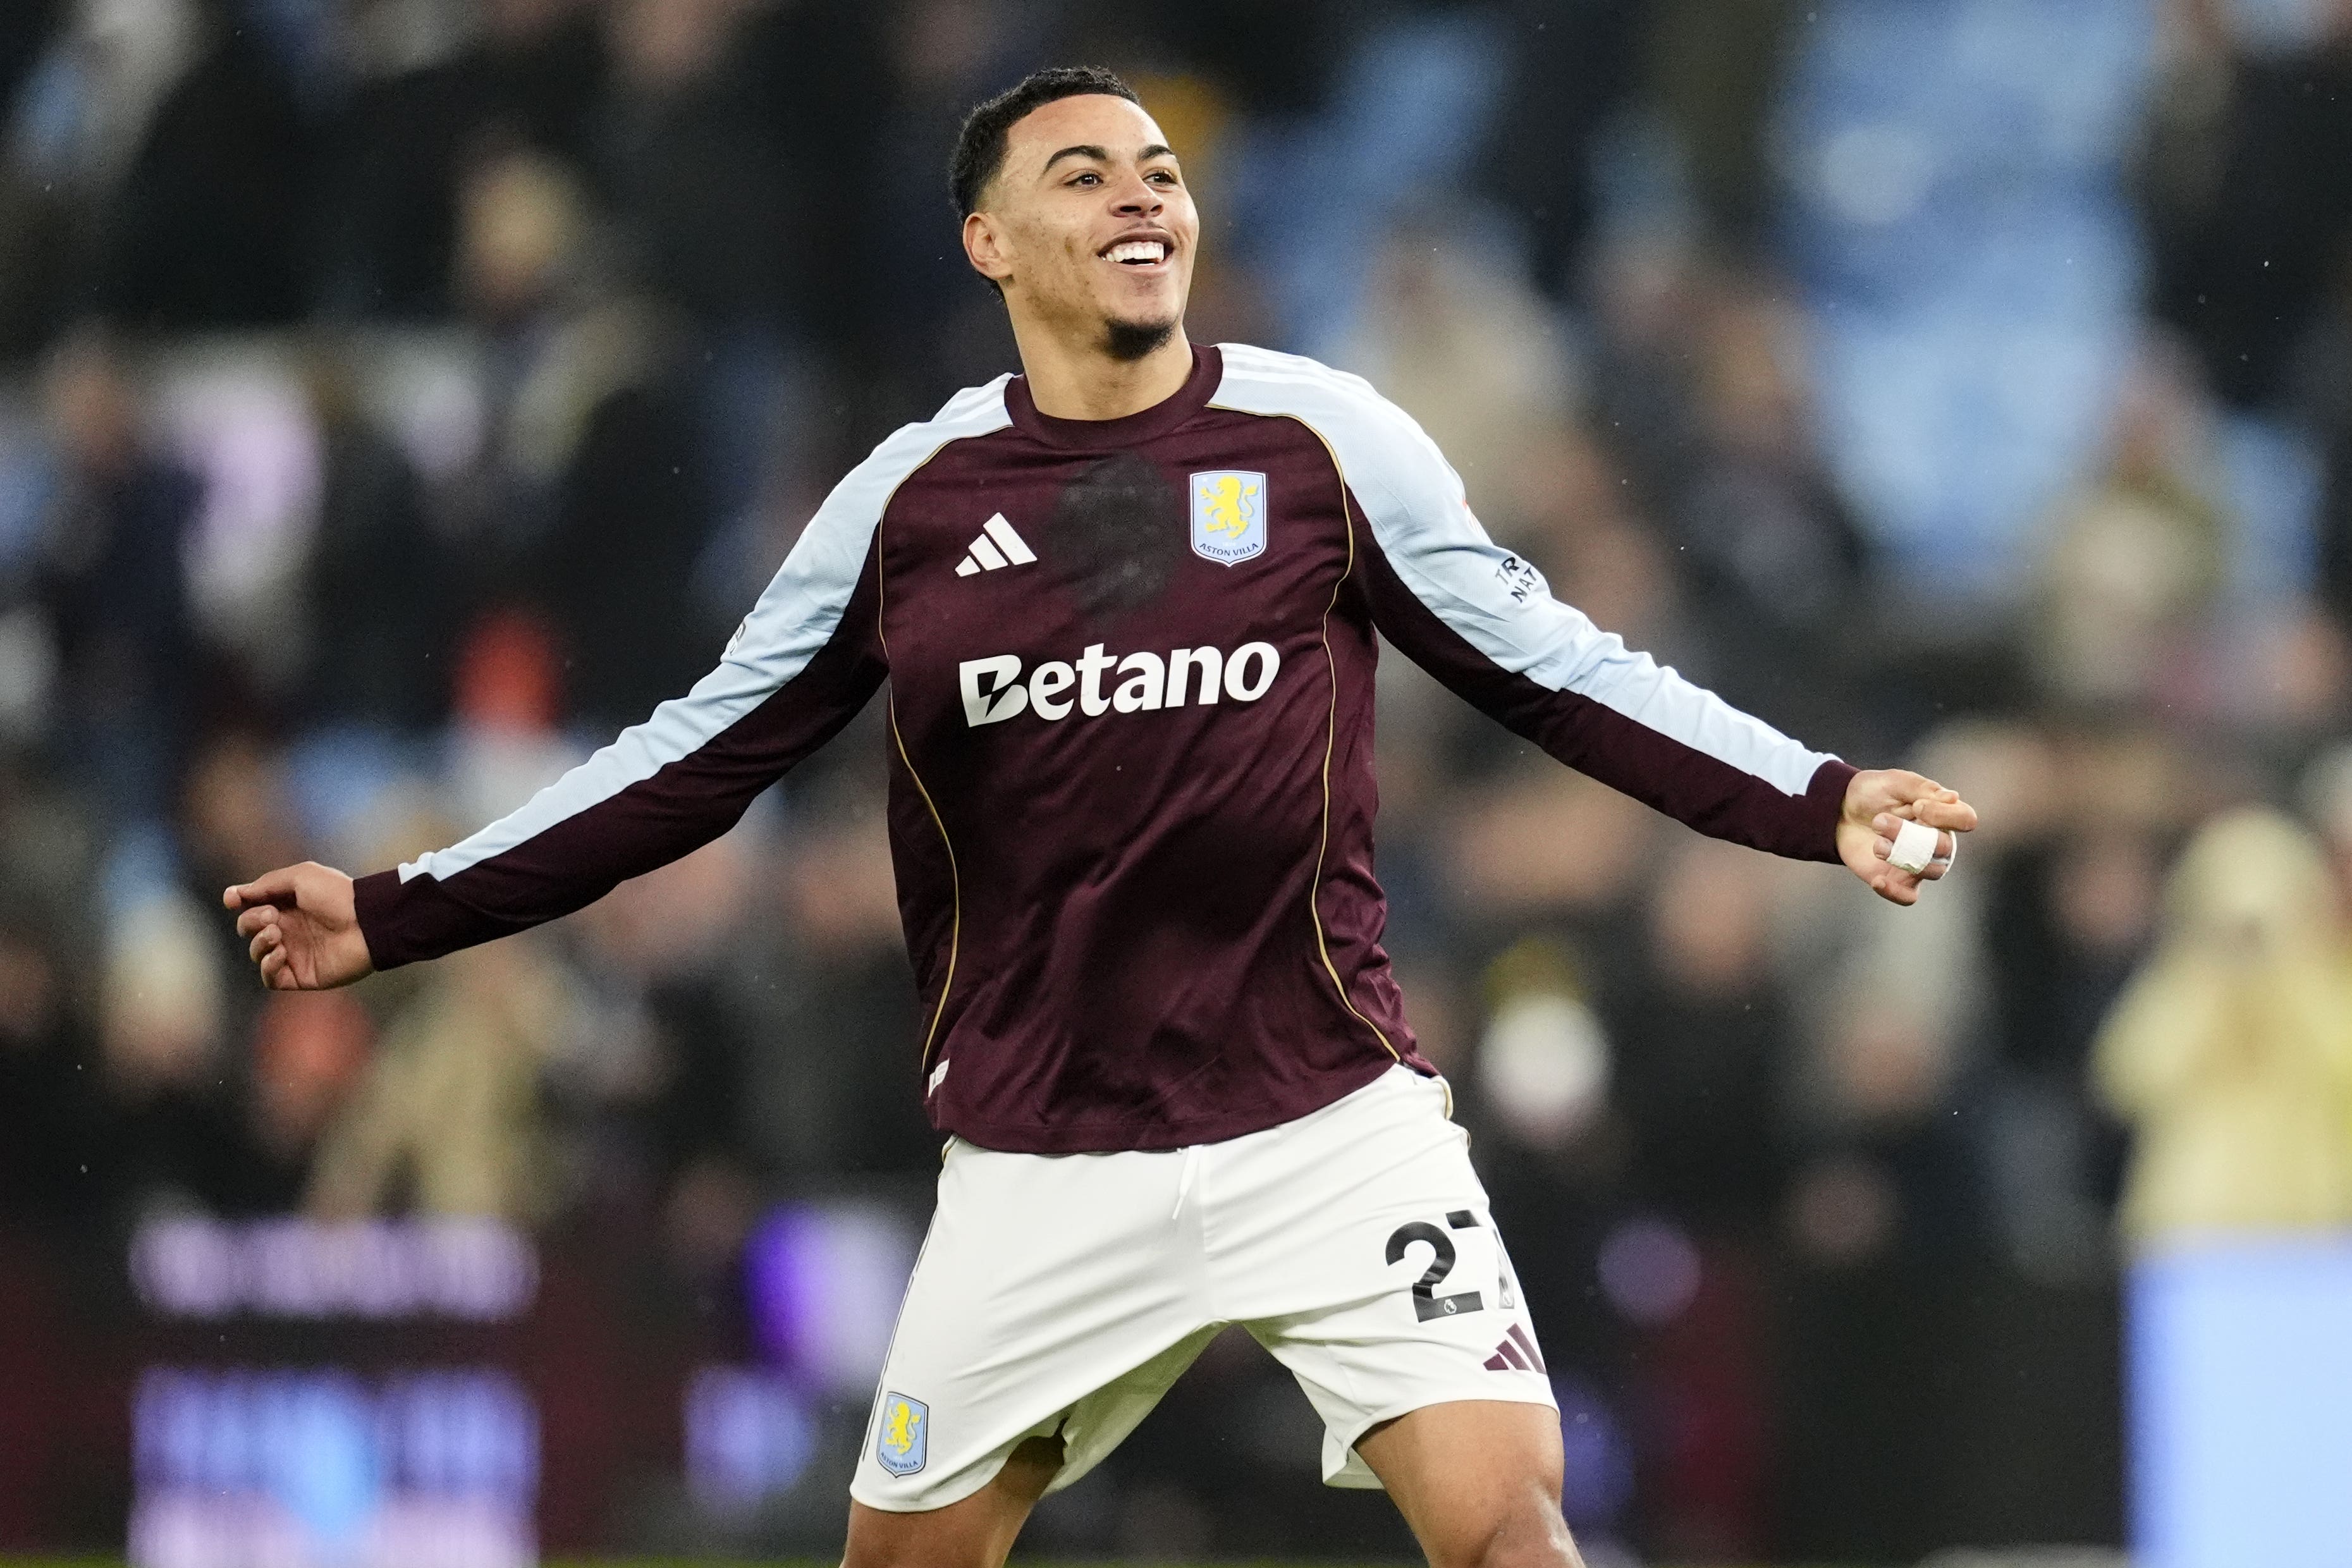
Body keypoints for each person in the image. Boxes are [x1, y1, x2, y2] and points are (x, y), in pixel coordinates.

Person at [224, 66, 1975, 1568]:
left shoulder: (1323, 443)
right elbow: (695, 756)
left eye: (1162, 173)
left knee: (1512, 1529)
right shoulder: (910, 506)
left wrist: (1817, 798)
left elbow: (1560, 670)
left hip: (1329, 1124)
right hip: (1044, 1163)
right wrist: (400, 909)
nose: (1142, 197)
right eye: (1085, 174)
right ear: (988, 241)